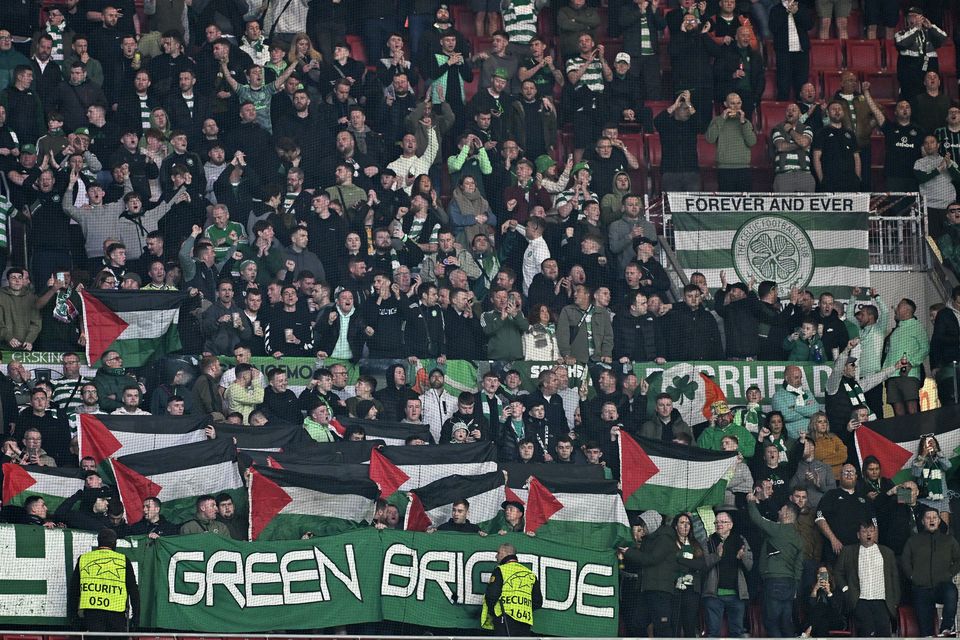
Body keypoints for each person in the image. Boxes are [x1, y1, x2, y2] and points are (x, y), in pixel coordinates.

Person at [746, 490, 803, 638]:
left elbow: (756, 518)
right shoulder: (798, 538)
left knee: (771, 622)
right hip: (790, 584)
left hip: (773, 582)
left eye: (781, 509)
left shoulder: (777, 529)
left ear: (786, 514)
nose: (778, 511)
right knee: (785, 622)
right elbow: (799, 566)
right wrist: (795, 586)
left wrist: (751, 502)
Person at [901, 507, 960, 637]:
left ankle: (946, 627)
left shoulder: (948, 540)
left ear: (939, 521)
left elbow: (958, 559)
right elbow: (905, 560)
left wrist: (950, 573)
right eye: (928, 518)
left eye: (934, 517)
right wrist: (913, 576)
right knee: (925, 631)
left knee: (951, 592)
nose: (931, 520)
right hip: (921, 588)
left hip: (942, 585)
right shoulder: (913, 540)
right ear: (923, 521)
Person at [834, 521, 900, 638]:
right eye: (864, 531)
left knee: (884, 632)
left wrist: (895, 600)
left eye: (871, 531)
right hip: (860, 600)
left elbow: (894, 577)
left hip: (882, 600)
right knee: (867, 631)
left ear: (875, 533)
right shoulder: (848, 551)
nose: (868, 534)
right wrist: (846, 589)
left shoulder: (887, 552)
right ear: (858, 535)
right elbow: (838, 572)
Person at [68, 528, 139, 634]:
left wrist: (73, 617)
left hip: (92, 614)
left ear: (98, 542)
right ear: (114, 543)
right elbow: (134, 591)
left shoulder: (84, 559)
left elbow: (73, 591)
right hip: (117, 614)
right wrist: (136, 618)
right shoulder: (123, 560)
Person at [701, 511, 752, 638]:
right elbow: (702, 566)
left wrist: (743, 557)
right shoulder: (708, 541)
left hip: (736, 595)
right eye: (716, 522)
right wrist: (716, 556)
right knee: (713, 633)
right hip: (713, 595)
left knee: (737, 633)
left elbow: (750, 565)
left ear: (731, 525)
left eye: (723, 522)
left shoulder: (740, 540)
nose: (719, 525)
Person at [481, 542, 542, 635]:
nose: (496, 556)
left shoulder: (501, 570)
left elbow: (491, 595)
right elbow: (537, 602)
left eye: (498, 553)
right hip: (525, 621)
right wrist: (521, 608)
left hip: (504, 618)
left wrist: (494, 612)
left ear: (506, 554)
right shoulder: (530, 574)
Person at [881, 297, 929, 416]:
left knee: (912, 408)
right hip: (892, 375)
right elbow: (889, 353)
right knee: (897, 411)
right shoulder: (896, 330)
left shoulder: (917, 326)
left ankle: (916, 433)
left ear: (907, 310)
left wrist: (911, 363)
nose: (896, 309)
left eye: (899, 306)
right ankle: (903, 434)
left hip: (908, 374)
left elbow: (925, 348)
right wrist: (884, 372)